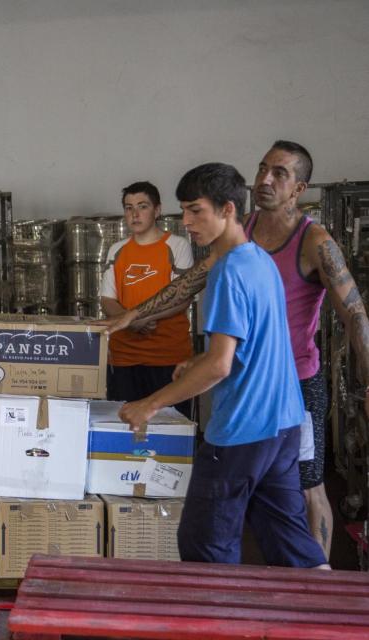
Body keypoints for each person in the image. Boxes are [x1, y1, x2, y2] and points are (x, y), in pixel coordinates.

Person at [107, 141, 369, 560]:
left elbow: (221, 365)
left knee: (205, 542)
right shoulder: (256, 256)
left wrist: (149, 405)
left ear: (228, 209)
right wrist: (141, 320)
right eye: (184, 211)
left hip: (251, 421)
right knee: (293, 544)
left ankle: (216, 622)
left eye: (196, 211)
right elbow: (252, 334)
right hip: (281, 422)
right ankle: (328, 616)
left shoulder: (260, 260)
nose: (187, 222)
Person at [99, 181, 194, 418]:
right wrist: (133, 322)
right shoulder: (117, 250)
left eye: (142, 206)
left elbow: (182, 298)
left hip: (169, 357)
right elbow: (107, 300)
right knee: (125, 427)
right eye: (129, 207)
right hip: (124, 358)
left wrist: (142, 316)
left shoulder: (177, 246)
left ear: (157, 210)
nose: (135, 214)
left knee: (169, 429)